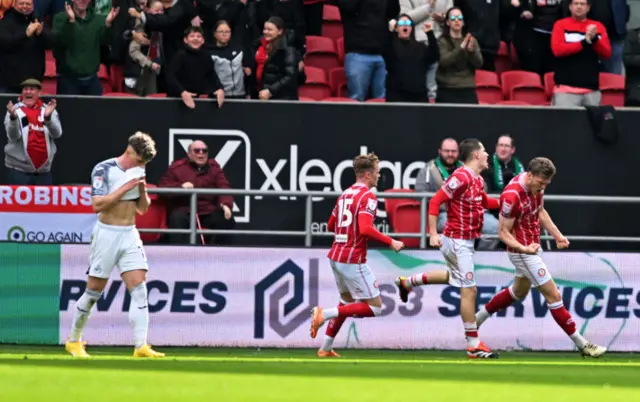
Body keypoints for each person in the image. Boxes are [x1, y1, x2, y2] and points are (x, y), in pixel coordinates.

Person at [474, 157, 607, 358]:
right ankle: (582, 344)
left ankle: (475, 320)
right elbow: (503, 232)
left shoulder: (536, 188)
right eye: (541, 183)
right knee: (554, 295)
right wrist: (523, 248)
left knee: (518, 292)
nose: (543, 187)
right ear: (530, 175)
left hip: (531, 248)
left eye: (546, 184)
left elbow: (540, 211)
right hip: (523, 253)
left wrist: (557, 235)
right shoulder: (512, 196)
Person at [394, 138, 500, 359]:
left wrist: (510, 202)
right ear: (476, 155)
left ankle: (407, 282)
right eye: (485, 151)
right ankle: (473, 344)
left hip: (465, 242)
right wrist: (433, 234)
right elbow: (435, 201)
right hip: (456, 240)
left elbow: (484, 203)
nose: (488, 154)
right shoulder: (460, 177)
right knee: (469, 289)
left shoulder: (477, 180)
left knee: (454, 277)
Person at [65, 132, 164, 359]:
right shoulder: (104, 169)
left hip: (129, 233)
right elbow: (97, 204)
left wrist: (141, 187)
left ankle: (141, 346)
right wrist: (125, 186)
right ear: (129, 152)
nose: (141, 166)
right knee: (93, 292)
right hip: (107, 234)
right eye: (140, 161)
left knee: (139, 289)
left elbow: (143, 208)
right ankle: (73, 341)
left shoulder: (138, 171)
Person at [310, 153, 405, 357]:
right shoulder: (367, 196)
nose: (379, 177)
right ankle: (324, 314)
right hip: (352, 259)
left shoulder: (345, 194)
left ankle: (325, 348)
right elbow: (364, 228)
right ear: (368, 174)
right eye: (378, 173)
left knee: (345, 302)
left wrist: (345, 234)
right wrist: (391, 241)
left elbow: (330, 225)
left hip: (336, 256)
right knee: (376, 308)